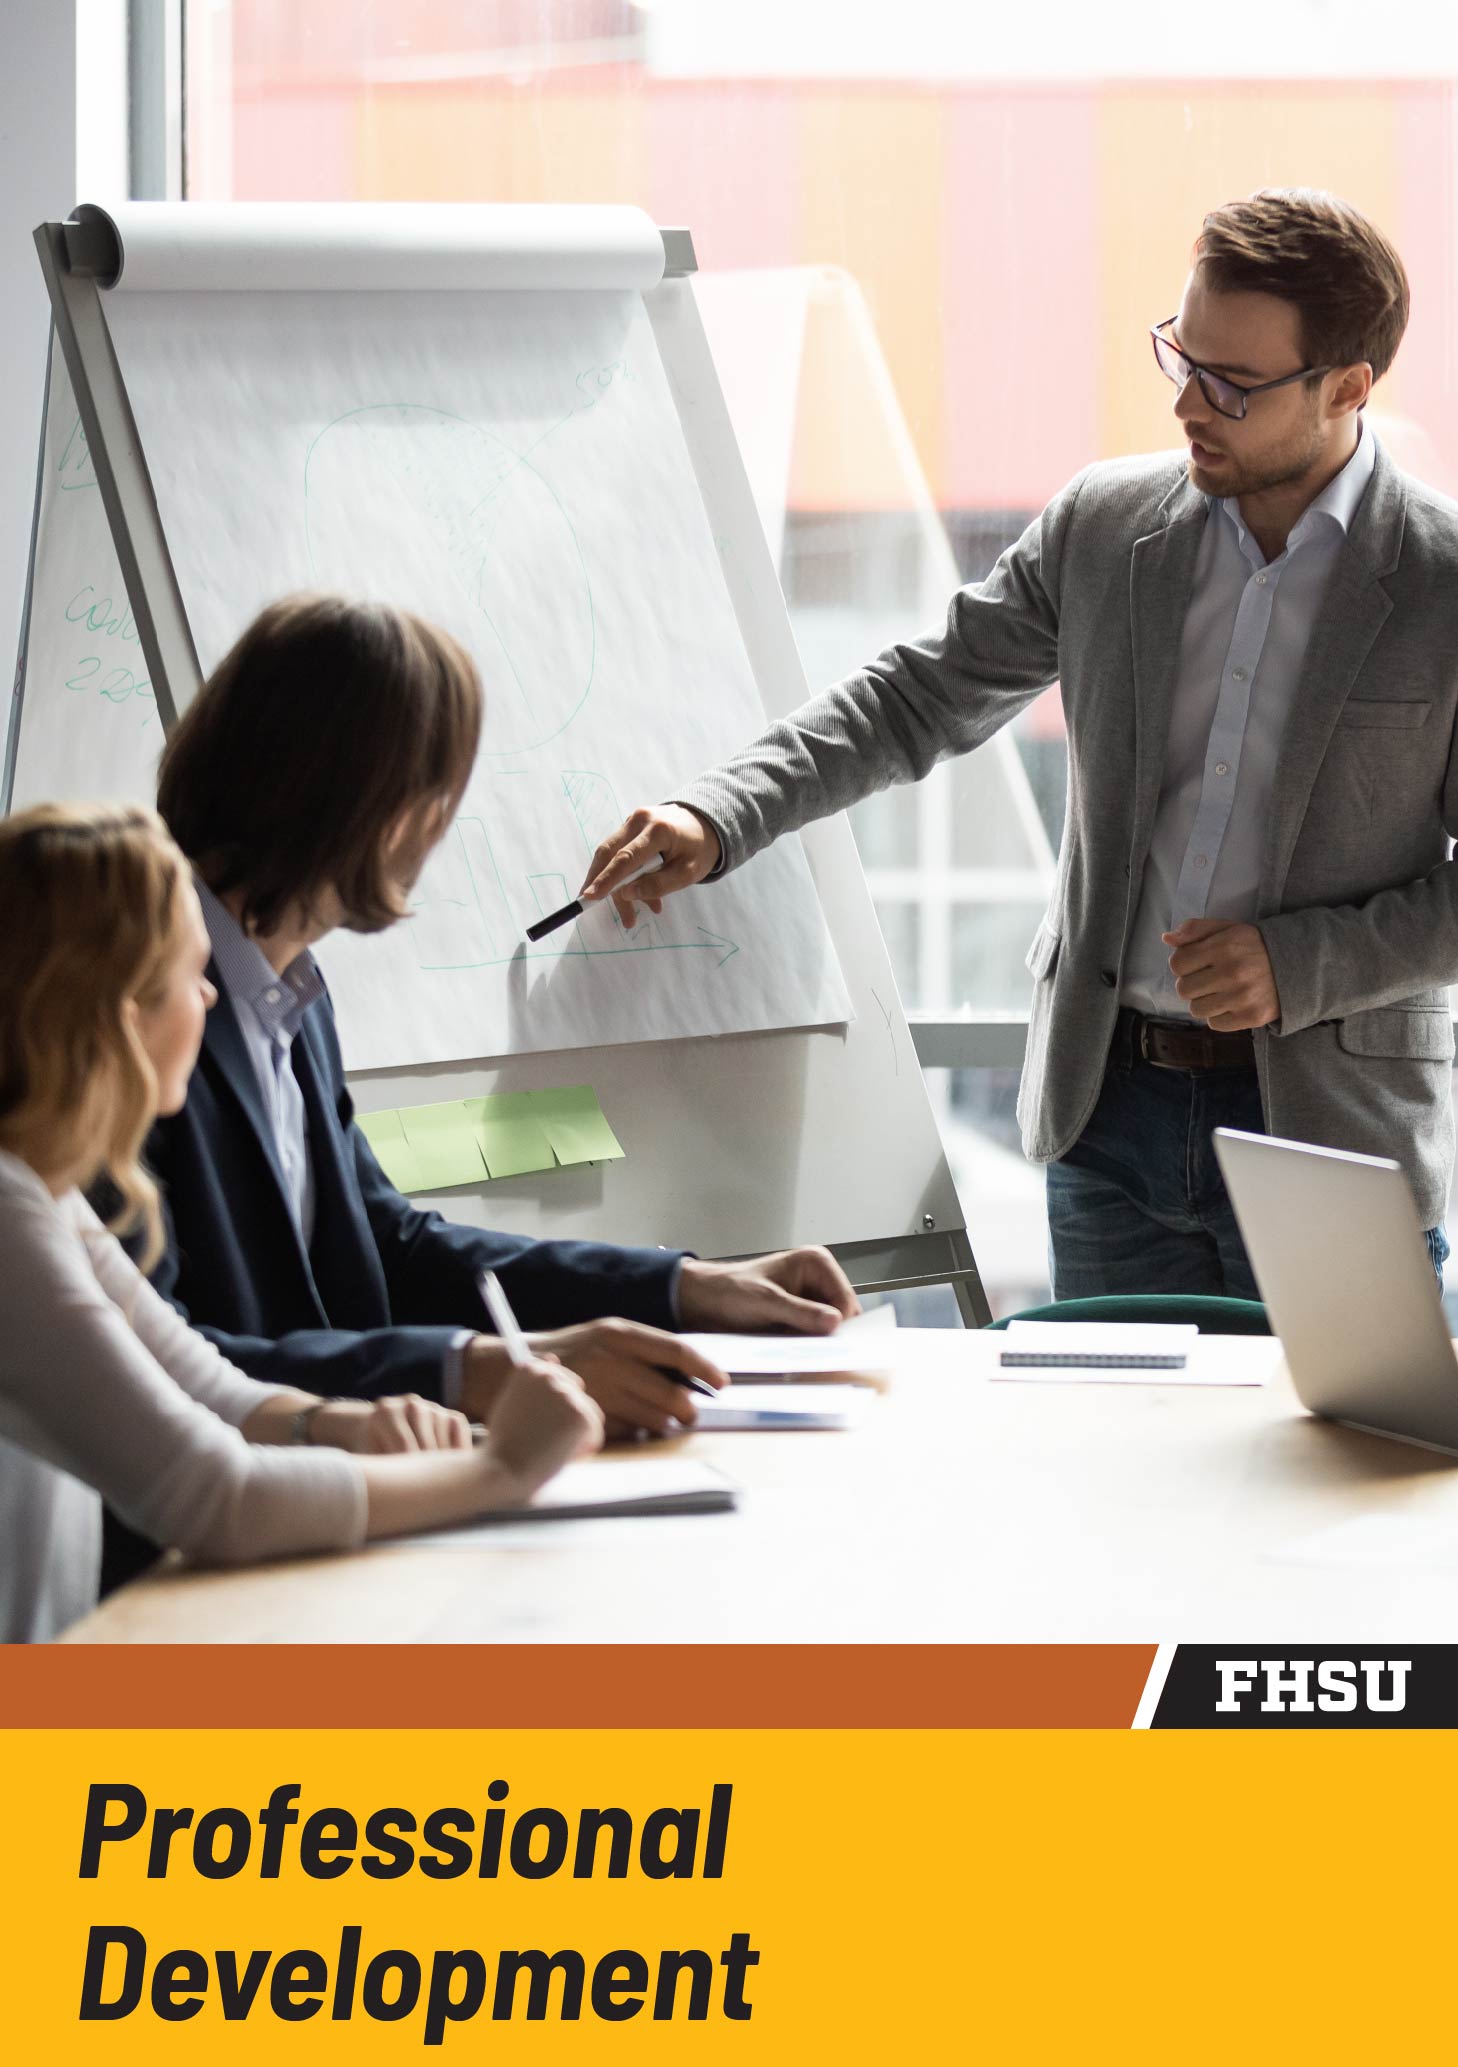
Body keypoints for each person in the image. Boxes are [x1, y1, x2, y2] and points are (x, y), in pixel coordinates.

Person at [581, 187, 1458, 1302]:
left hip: (1334, 1137)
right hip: (1107, 1115)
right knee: (1099, 1419)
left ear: (1347, 388)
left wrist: (1300, 964)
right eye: (1181, 357)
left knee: (1346, 1423)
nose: (1188, 402)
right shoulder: (1105, 526)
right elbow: (917, 695)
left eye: (1232, 384)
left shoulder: (1440, 581)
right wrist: (722, 811)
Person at [140, 594, 857, 1442]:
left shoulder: (289, 988)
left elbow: (389, 1246)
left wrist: (685, 1288)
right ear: (377, 805)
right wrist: (486, 1370)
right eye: (439, 793)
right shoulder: (131, 1006)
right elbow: (160, 1363)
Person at [0, 804, 602, 1642]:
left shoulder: (43, 1195)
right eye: (192, 973)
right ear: (119, 1011)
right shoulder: (8, 1213)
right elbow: (218, 1497)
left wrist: (341, 1422)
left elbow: (206, 1386)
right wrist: (502, 1468)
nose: (210, 997)